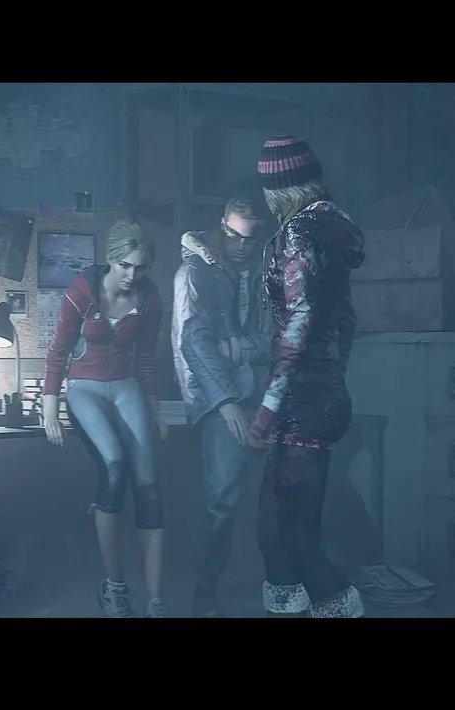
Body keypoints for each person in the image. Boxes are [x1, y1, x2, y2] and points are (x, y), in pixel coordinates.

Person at [247, 136, 368, 618]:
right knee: (274, 535)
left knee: (293, 539)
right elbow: (346, 321)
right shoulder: (331, 231)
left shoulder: (298, 233)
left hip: (303, 401)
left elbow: (297, 324)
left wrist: (267, 408)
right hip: (319, 395)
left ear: (277, 189)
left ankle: (341, 609)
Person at [41, 220, 170, 618]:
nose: (132, 275)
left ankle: (155, 601)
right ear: (111, 260)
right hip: (85, 387)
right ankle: (115, 587)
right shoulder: (82, 291)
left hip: (125, 384)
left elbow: (145, 358)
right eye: (125, 266)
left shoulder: (150, 299)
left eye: (141, 267)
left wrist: (153, 409)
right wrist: (49, 408)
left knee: (148, 487)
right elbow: (58, 352)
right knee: (115, 470)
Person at [171, 197, 272, 617]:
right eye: (234, 237)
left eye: (251, 238)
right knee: (222, 499)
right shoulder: (195, 272)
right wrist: (226, 402)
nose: (243, 247)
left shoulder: (267, 268)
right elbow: (195, 343)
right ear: (221, 227)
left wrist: (237, 348)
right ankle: (205, 594)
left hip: (265, 391)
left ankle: (280, 584)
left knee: (272, 494)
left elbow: (279, 339)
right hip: (219, 398)